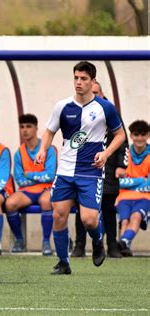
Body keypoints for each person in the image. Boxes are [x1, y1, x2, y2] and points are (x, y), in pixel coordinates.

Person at [35, 61, 126, 275]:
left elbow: (121, 135)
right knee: (59, 215)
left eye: (84, 78)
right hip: (65, 171)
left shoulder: (105, 108)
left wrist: (105, 153)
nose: (78, 82)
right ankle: (63, 262)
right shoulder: (62, 106)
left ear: (93, 81)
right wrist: (43, 149)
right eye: (76, 78)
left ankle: (97, 241)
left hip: (90, 172)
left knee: (88, 219)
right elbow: (49, 131)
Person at [71, 81, 128, 258]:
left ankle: (111, 245)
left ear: (102, 94)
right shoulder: (79, 113)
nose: (93, 95)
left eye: (96, 92)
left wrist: (121, 165)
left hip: (109, 172)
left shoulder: (111, 112)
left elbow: (122, 142)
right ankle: (80, 245)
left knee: (108, 209)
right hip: (85, 170)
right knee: (83, 210)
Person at [5, 114, 57, 256]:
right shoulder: (19, 153)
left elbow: (50, 175)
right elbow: (20, 180)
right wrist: (38, 178)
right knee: (10, 204)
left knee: (47, 201)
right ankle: (19, 240)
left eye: (28, 126)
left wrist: (30, 175)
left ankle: (46, 242)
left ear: (36, 128)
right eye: (22, 127)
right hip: (27, 191)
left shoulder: (49, 149)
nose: (25, 130)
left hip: (46, 189)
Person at [115, 120, 149, 256]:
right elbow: (119, 182)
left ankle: (123, 242)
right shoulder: (125, 154)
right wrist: (142, 181)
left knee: (135, 217)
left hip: (145, 198)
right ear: (131, 136)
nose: (139, 138)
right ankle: (124, 246)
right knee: (124, 221)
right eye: (136, 134)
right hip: (123, 196)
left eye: (143, 134)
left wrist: (130, 183)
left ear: (148, 135)